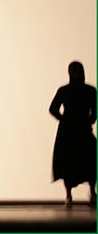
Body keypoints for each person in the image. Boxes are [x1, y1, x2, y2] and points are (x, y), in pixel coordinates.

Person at [48, 61, 97, 206]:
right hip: (68, 132)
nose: (77, 74)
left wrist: (90, 120)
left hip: (81, 130)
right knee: (68, 163)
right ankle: (69, 195)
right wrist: (64, 119)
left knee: (91, 160)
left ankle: (92, 192)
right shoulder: (65, 91)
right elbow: (53, 108)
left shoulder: (90, 90)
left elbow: (95, 110)